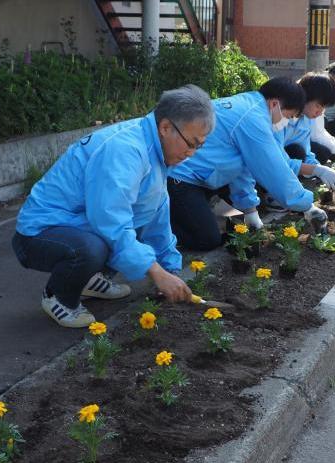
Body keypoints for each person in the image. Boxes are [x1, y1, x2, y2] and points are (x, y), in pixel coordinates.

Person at [12, 85, 215, 327]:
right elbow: (110, 222)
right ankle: (58, 296)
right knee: (93, 247)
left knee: (135, 222)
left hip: (78, 224)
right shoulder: (125, 150)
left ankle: (89, 280)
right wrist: (156, 273)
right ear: (165, 127)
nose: (191, 153)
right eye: (190, 144)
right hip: (39, 233)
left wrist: (170, 268)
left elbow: (155, 213)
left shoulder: (156, 151)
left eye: (199, 146)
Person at [167, 76, 333, 251]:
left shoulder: (252, 107)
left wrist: (250, 210)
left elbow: (242, 166)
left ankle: (178, 214)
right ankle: (158, 228)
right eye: (289, 116)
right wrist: (308, 206)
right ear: (274, 104)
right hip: (180, 177)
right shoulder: (253, 119)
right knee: (207, 240)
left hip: (199, 175)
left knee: (210, 229)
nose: (287, 122)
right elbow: (275, 171)